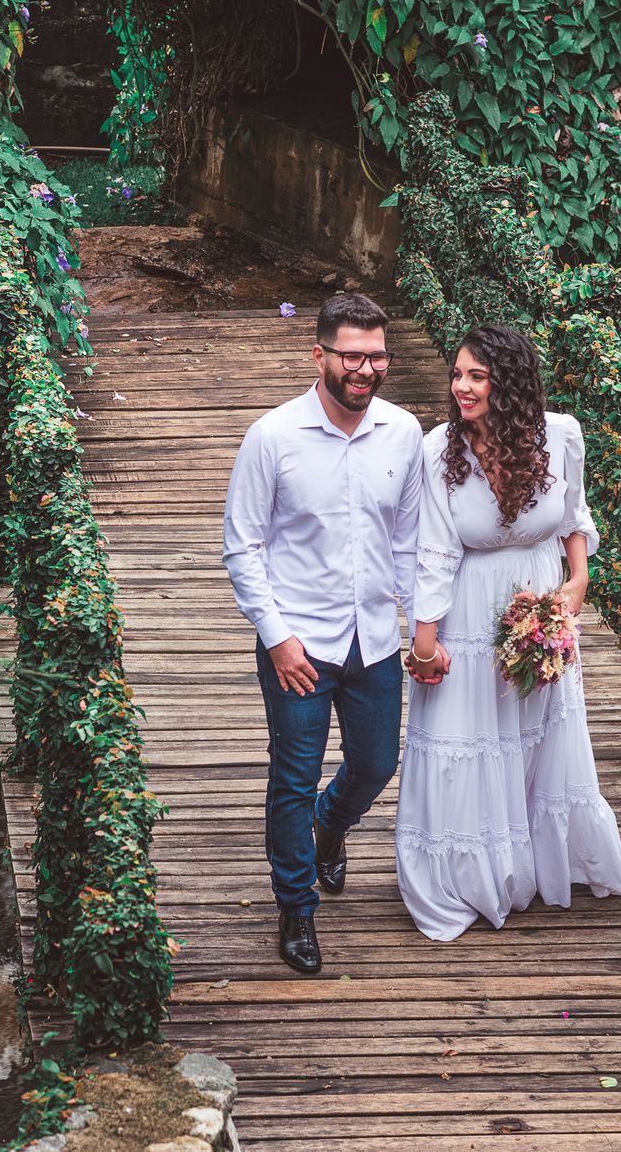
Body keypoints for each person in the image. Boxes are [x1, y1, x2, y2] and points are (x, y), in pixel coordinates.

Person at [396, 324, 621, 942]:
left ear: (510, 384)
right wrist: (425, 641)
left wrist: (578, 580)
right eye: (457, 375)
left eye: (477, 376)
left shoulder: (561, 435)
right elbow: (433, 550)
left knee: (535, 729)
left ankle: (538, 856)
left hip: (542, 598)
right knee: (470, 735)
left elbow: (573, 516)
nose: (462, 387)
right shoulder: (439, 448)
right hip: (470, 607)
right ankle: (474, 873)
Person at [222, 293, 424, 974]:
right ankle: (296, 908)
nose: (366, 370)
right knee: (293, 776)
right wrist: (277, 638)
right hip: (299, 643)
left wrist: (424, 625)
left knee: (376, 765)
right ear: (320, 356)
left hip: (375, 639)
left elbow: (407, 540)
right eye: (352, 357)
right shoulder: (272, 437)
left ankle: (330, 826)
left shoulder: (403, 432)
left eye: (377, 357)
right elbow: (242, 546)